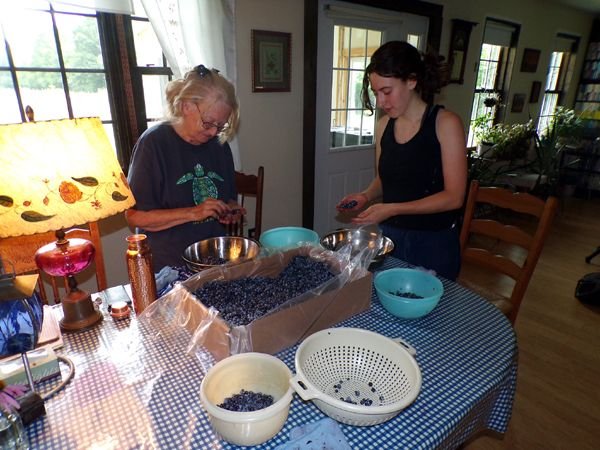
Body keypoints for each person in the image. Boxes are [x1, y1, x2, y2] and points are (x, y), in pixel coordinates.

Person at [336, 41, 467, 280]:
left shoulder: (446, 124)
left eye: (387, 91)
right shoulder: (384, 125)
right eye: (376, 93)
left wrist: (393, 208)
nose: (381, 102)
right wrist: (366, 195)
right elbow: (385, 180)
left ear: (412, 80)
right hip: (391, 238)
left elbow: (454, 197)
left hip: (433, 243)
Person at [126, 64, 244, 271]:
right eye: (208, 123)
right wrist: (193, 213)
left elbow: (227, 198)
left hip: (214, 261)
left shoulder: (219, 145)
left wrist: (229, 210)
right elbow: (135, 216)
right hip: (168, 268)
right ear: (186, 106)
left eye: (221, 125)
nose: (213, 132)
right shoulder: (153, 144)